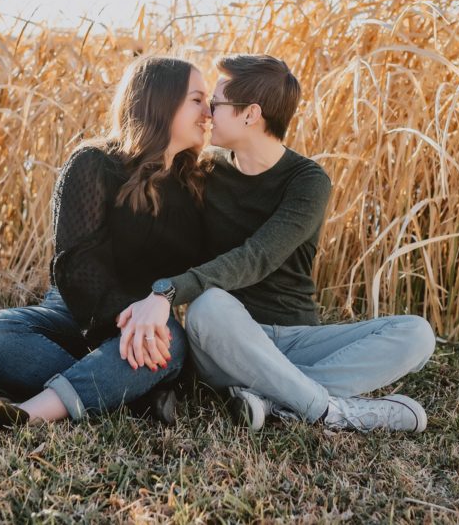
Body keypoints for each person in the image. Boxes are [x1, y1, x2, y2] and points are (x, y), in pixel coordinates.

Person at [117, 54, 436, 432]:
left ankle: (273, 400)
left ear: (250, 114)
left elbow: (258, 256)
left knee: (417, 334)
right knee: (209, 306)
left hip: (296, 338)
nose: (206, 114)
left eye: (215, 105)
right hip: (227, 341)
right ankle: (332, 412)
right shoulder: (205, 171)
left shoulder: (307, 181)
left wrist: (167, 292)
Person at [0, 55, 211, 439]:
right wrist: (128, 316)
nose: (209, 112)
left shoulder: (198, 183)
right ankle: (132, 394)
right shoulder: (95, 162)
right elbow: (76, 264)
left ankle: (24, 413)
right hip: (77, 310)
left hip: (153, 322)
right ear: (162, 102)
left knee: (163, 342)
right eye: (197, 100)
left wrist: (149, 313)